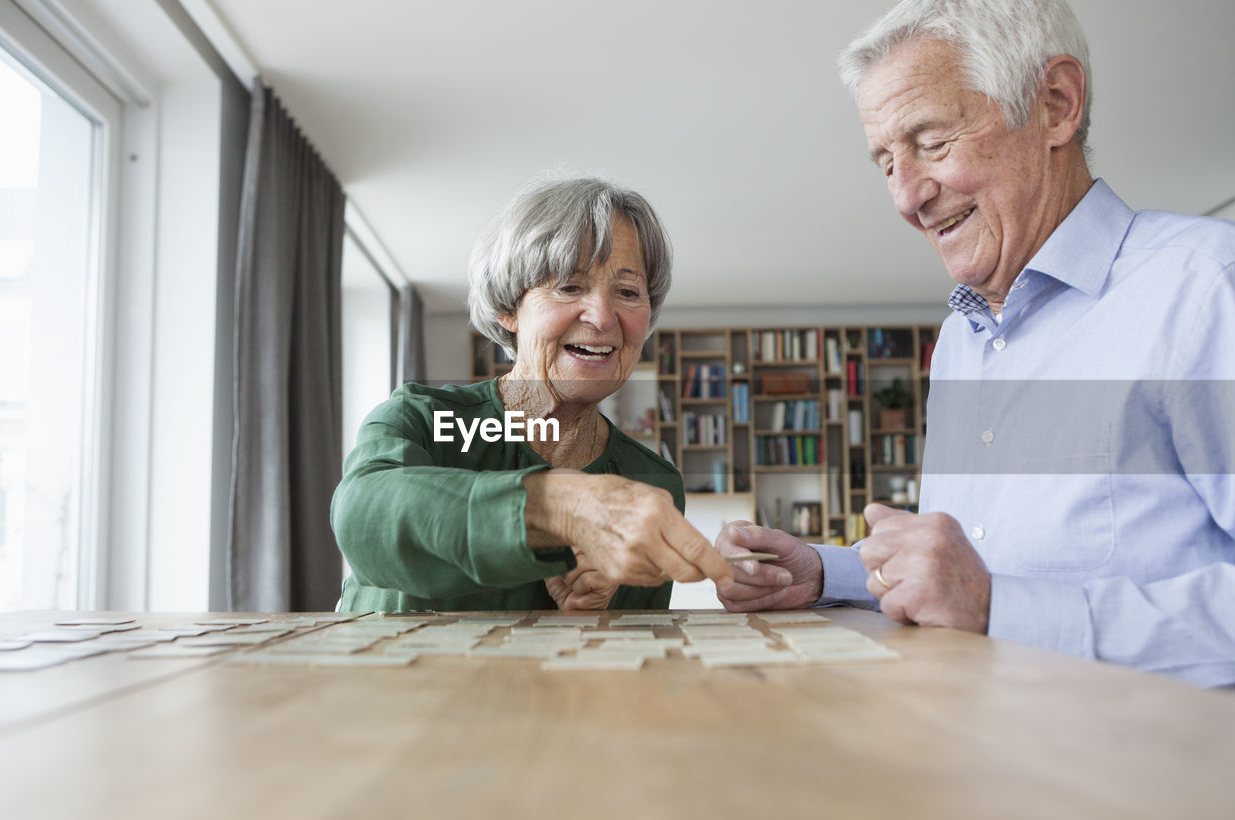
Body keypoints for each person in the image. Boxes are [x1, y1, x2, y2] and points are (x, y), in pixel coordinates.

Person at [717, 0, 1235, 686]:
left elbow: (984, 595)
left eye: (931, 142)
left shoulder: (1204, 287)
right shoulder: (961, 340)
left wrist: (1002, 607)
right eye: (886, 163)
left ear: (1055, 104)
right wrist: (822, 571)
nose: (907, 198)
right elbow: (963, 569)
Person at [333, 177, 733, 612]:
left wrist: (593, 615)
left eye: (628, 292)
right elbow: (361, 520)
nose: (602, 316)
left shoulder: (653, 483)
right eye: (569, 286)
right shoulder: (424, 420)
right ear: (510, 309)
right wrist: (558, 506)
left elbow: (631, 660)